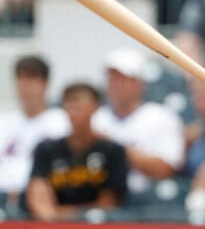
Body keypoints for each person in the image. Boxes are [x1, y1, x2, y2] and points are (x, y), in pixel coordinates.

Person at [91, 47, 185, 200]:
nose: (116, 85)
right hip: (104, 200)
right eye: (112, 79)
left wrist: (115, 149)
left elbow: (165, 170)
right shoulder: (96, 119)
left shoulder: (162, 117)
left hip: (150, 202)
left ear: (139, 84)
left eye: (123, 80)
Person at [26, 82, 128, 221]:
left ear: (95, 107)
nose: (74, 112)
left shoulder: (112, 151)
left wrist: (64, 214)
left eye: (79, 106)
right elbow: (38, 197)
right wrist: (55, 217)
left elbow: (108, 205)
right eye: (69, 105)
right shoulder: (46, 149)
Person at [0, 55, 70, 213]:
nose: (25, 86)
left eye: (31, 79)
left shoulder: (63, 122)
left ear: (45, 84)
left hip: (43, 199)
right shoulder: (4, 121)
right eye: (21, 79)